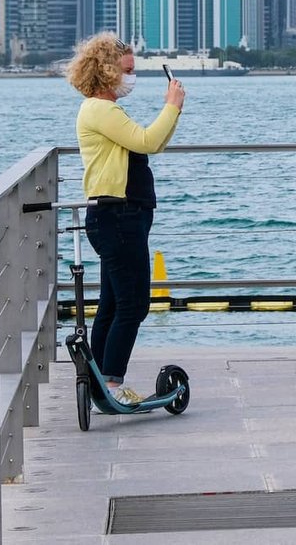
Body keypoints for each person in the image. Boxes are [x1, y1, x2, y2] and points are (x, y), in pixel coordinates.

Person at [66, 34, 186, 405]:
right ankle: (112, 382)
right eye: (127, 70)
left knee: (113, 303)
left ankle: (100, 381)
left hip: (117, 216)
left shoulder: (103, 110)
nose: (131, 78)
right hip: (117, 216)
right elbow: (147, 141)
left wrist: (173, 112)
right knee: (133, 305)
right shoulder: (101, 110)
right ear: (107, 71)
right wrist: (171, 106)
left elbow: (151, 143)